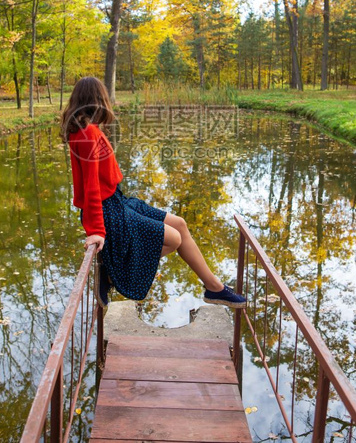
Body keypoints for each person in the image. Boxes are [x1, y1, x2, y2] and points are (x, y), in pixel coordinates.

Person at [61, 76, 247, 310]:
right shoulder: (88, 134)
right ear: (98, 99)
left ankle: (214, 288)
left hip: (117, 201)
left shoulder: (86, 130)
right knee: (174, 239)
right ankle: (114, 271)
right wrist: (97, 231)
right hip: (108, 210)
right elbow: (91, 187)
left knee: (179, 224)